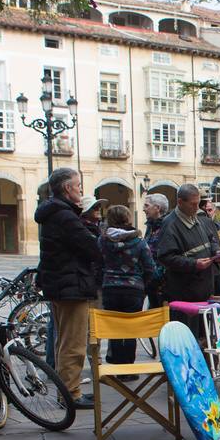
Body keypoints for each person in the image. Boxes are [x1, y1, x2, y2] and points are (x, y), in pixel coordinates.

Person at [35, 167, 101, 407]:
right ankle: (70, 394)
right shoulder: (65, 216)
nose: (81, 190)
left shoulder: (54, 213)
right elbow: (91, 248)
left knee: (64, 341)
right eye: (78, 185)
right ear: (67, 188)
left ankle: (67, 391)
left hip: (62, 284)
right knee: (73, 343)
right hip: (71, 285)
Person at [97, 205, 156, 365]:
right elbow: (150, 267)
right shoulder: (138, 241)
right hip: (133, 289)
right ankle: (128, 365)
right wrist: (143, 284)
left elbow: (96, 263)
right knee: (131, 329)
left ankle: (116, 363)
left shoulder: (103, 240)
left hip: (110, 288)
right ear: (128, 218)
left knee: (114, 327)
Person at [157, 183, 220, 311]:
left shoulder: (197, 218)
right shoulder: (170, 224)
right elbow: (165, 257)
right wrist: (194, 264)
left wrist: (216, 251)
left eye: (198, 203)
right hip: (184, 293)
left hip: (204, 291)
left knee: (203, 330)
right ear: (180, 202)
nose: (196, 208)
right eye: (193, 204)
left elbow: (211, 239)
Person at [142, 193, 169, 308]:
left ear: (157, 208)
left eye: (146, 205)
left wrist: (157, 277)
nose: (143, 209)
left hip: (162, 284)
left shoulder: (167, 226)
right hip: (150, 282)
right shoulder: (150, 226)